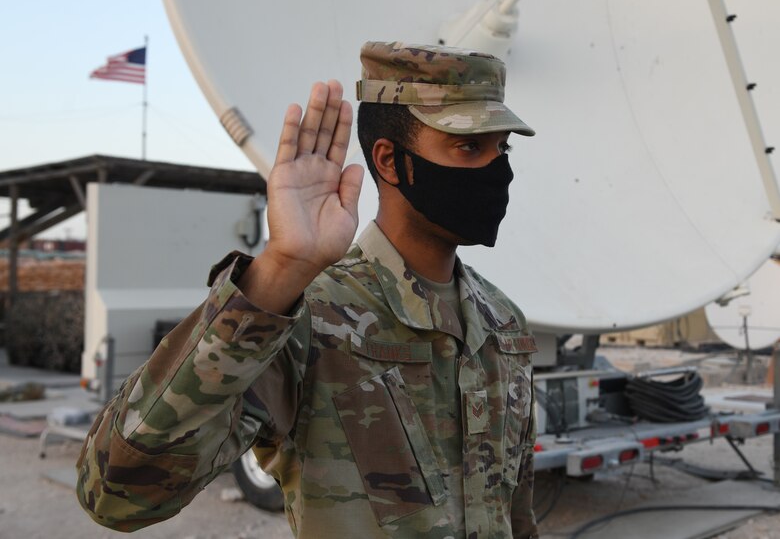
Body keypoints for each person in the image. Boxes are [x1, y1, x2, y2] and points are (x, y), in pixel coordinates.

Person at [76, 41, 539, 538]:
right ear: (390, 161)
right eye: (469, 147)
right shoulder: (309, 317)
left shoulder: (502, 323)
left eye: (502, 148)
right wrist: (282, 267)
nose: (499, 170)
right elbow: (116, 493)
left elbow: (515, 515)